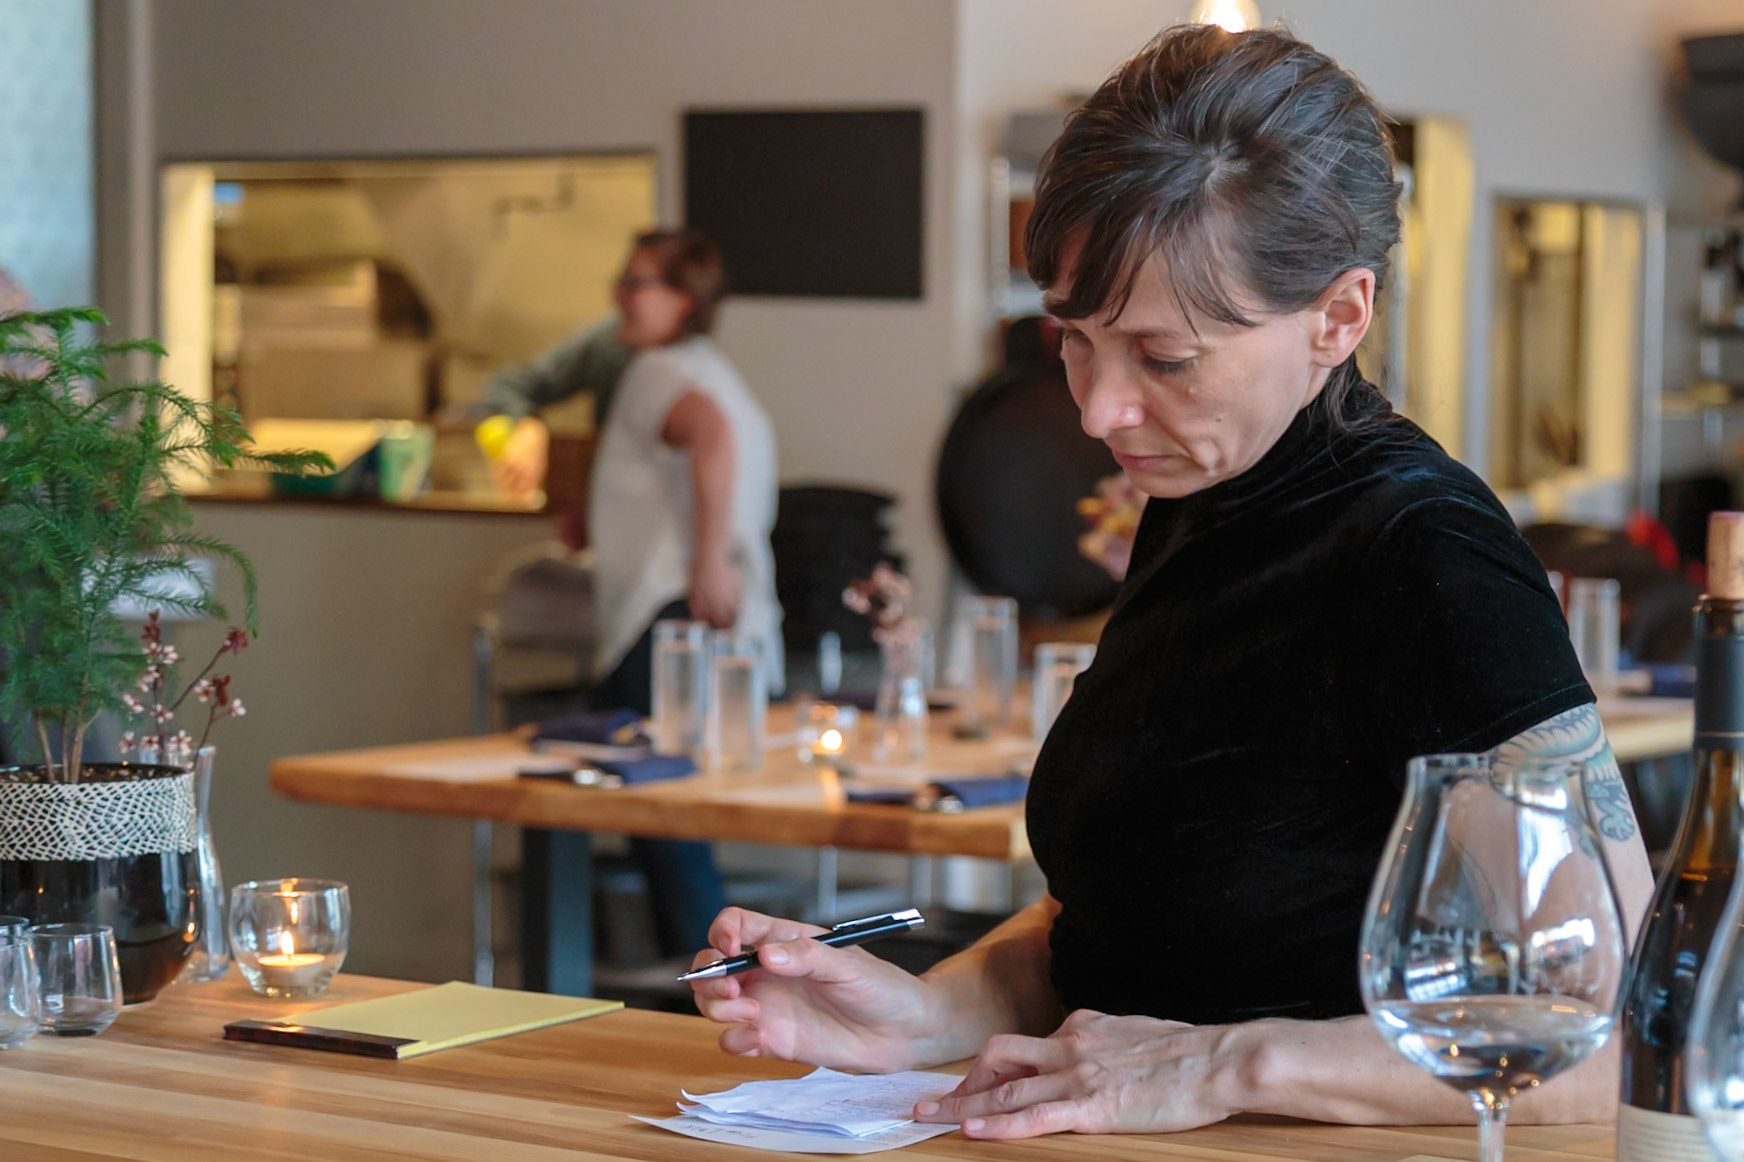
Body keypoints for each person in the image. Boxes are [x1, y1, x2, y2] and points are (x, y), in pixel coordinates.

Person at [688, 25, 1653, 1140]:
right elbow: (1129, 931)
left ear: (1339, 316)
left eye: (1165, 358)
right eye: (1074, 339)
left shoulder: (1425, 549)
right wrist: (918, 1013)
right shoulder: (1203, 495)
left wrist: (1229, 1066)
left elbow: (1615, 1026)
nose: (1097, 410)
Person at [588, 229, 783, 958]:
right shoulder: (711, 369)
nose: (622, 295)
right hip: (710, 618)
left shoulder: (658, 371)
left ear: (686, 299)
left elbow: (713, 438)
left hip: (665, 616)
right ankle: (711, 981)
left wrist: (706, 562)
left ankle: (700, 989)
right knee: (681, 822)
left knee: (668, 825)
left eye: (640, 282)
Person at [480, 316, 632, 497]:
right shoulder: (612, 340)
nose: (620, 297)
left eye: (636, 287)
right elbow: (509, 386)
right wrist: (527, 426)